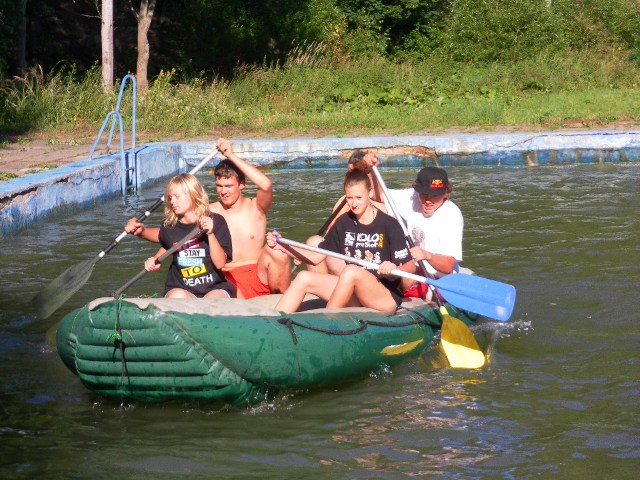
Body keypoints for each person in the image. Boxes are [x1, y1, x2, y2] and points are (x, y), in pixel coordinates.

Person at [126, 138, 291, 299]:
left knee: (277, 251)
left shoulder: (256, 208)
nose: (223, 191)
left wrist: (230, 155)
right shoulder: (208, 212)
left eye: (228, 186)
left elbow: (266, 185)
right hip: (226, 277)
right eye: (219, 186)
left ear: (242, 184)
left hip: (256, 273)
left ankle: (287, 306)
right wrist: (142, 232)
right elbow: (175, 234)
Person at [266, 169, 415, 313]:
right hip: (354, 288)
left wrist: (394, 268)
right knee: (303, 277)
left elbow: (410, 267)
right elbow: (315, 257)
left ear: (370, 193)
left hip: (384, 295)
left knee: (351, 271)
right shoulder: (343, 222)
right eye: (349, 198)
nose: (354, 203)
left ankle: (328, 320)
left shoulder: (389, 224)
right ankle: (275, 320)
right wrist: (284, 246)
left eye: (358, 197)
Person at [359, 154, 464, 298]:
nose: (428, 200)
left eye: (435, 195)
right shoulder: (412, 197)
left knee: (400, 274)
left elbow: (448, 266)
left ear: (446, 193)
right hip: (412, 269)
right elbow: (378, 196)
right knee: (371, 205)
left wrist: (427, 255)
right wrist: (371, 170)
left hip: (439, 280)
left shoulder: (452, 215)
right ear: (418, 190)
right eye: (424, 194)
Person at [143, 173, 235, 298]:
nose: (172, 201)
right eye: (170, 197)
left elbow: (220, 264)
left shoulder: (216, 221)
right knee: (177, 296)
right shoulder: (169, 226)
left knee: (213, 299)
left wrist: (211, 234)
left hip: (215, 287)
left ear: (192, 194)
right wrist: (154, 260)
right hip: (182, 288)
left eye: (176, 196)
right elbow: (167, 245)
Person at [303, 149, 387, 275]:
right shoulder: (343, 202)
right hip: (343, 254)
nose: (351, 177)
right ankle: (321, 283)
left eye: (355, 172)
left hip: (369, 256)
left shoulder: (379, 201)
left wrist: (371, 171)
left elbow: (378, 196)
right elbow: (329, 236)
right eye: (349, 172)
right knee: (314, 242)